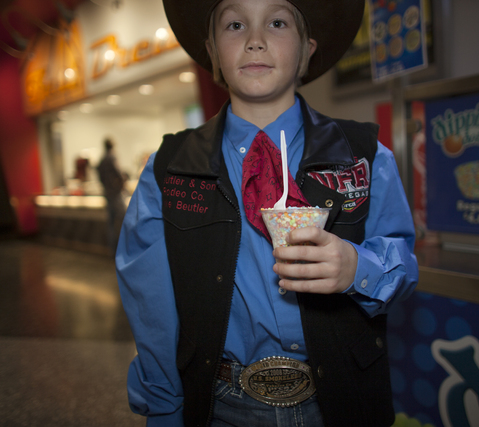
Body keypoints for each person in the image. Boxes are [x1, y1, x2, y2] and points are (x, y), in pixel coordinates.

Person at [116, 0, 419, 425]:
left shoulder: (364, 157)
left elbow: (404, 263)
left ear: (307, 49)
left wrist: (357, 267)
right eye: (235, 24)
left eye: (277, 23)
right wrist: (164, 409)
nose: (255, 40)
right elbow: (150, 304)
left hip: (343, 400)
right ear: (212, 49)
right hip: (219, 403)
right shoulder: (169, 168)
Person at [97, 138, 126, 254]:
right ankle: (126, 248)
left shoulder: (102, 159)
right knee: (125, 220)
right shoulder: (112, 157)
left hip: (107, 194)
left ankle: (113, 250)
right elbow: (118, 173)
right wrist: (122, 184)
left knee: (111, 224)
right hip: (115, 194)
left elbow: (100, 176)